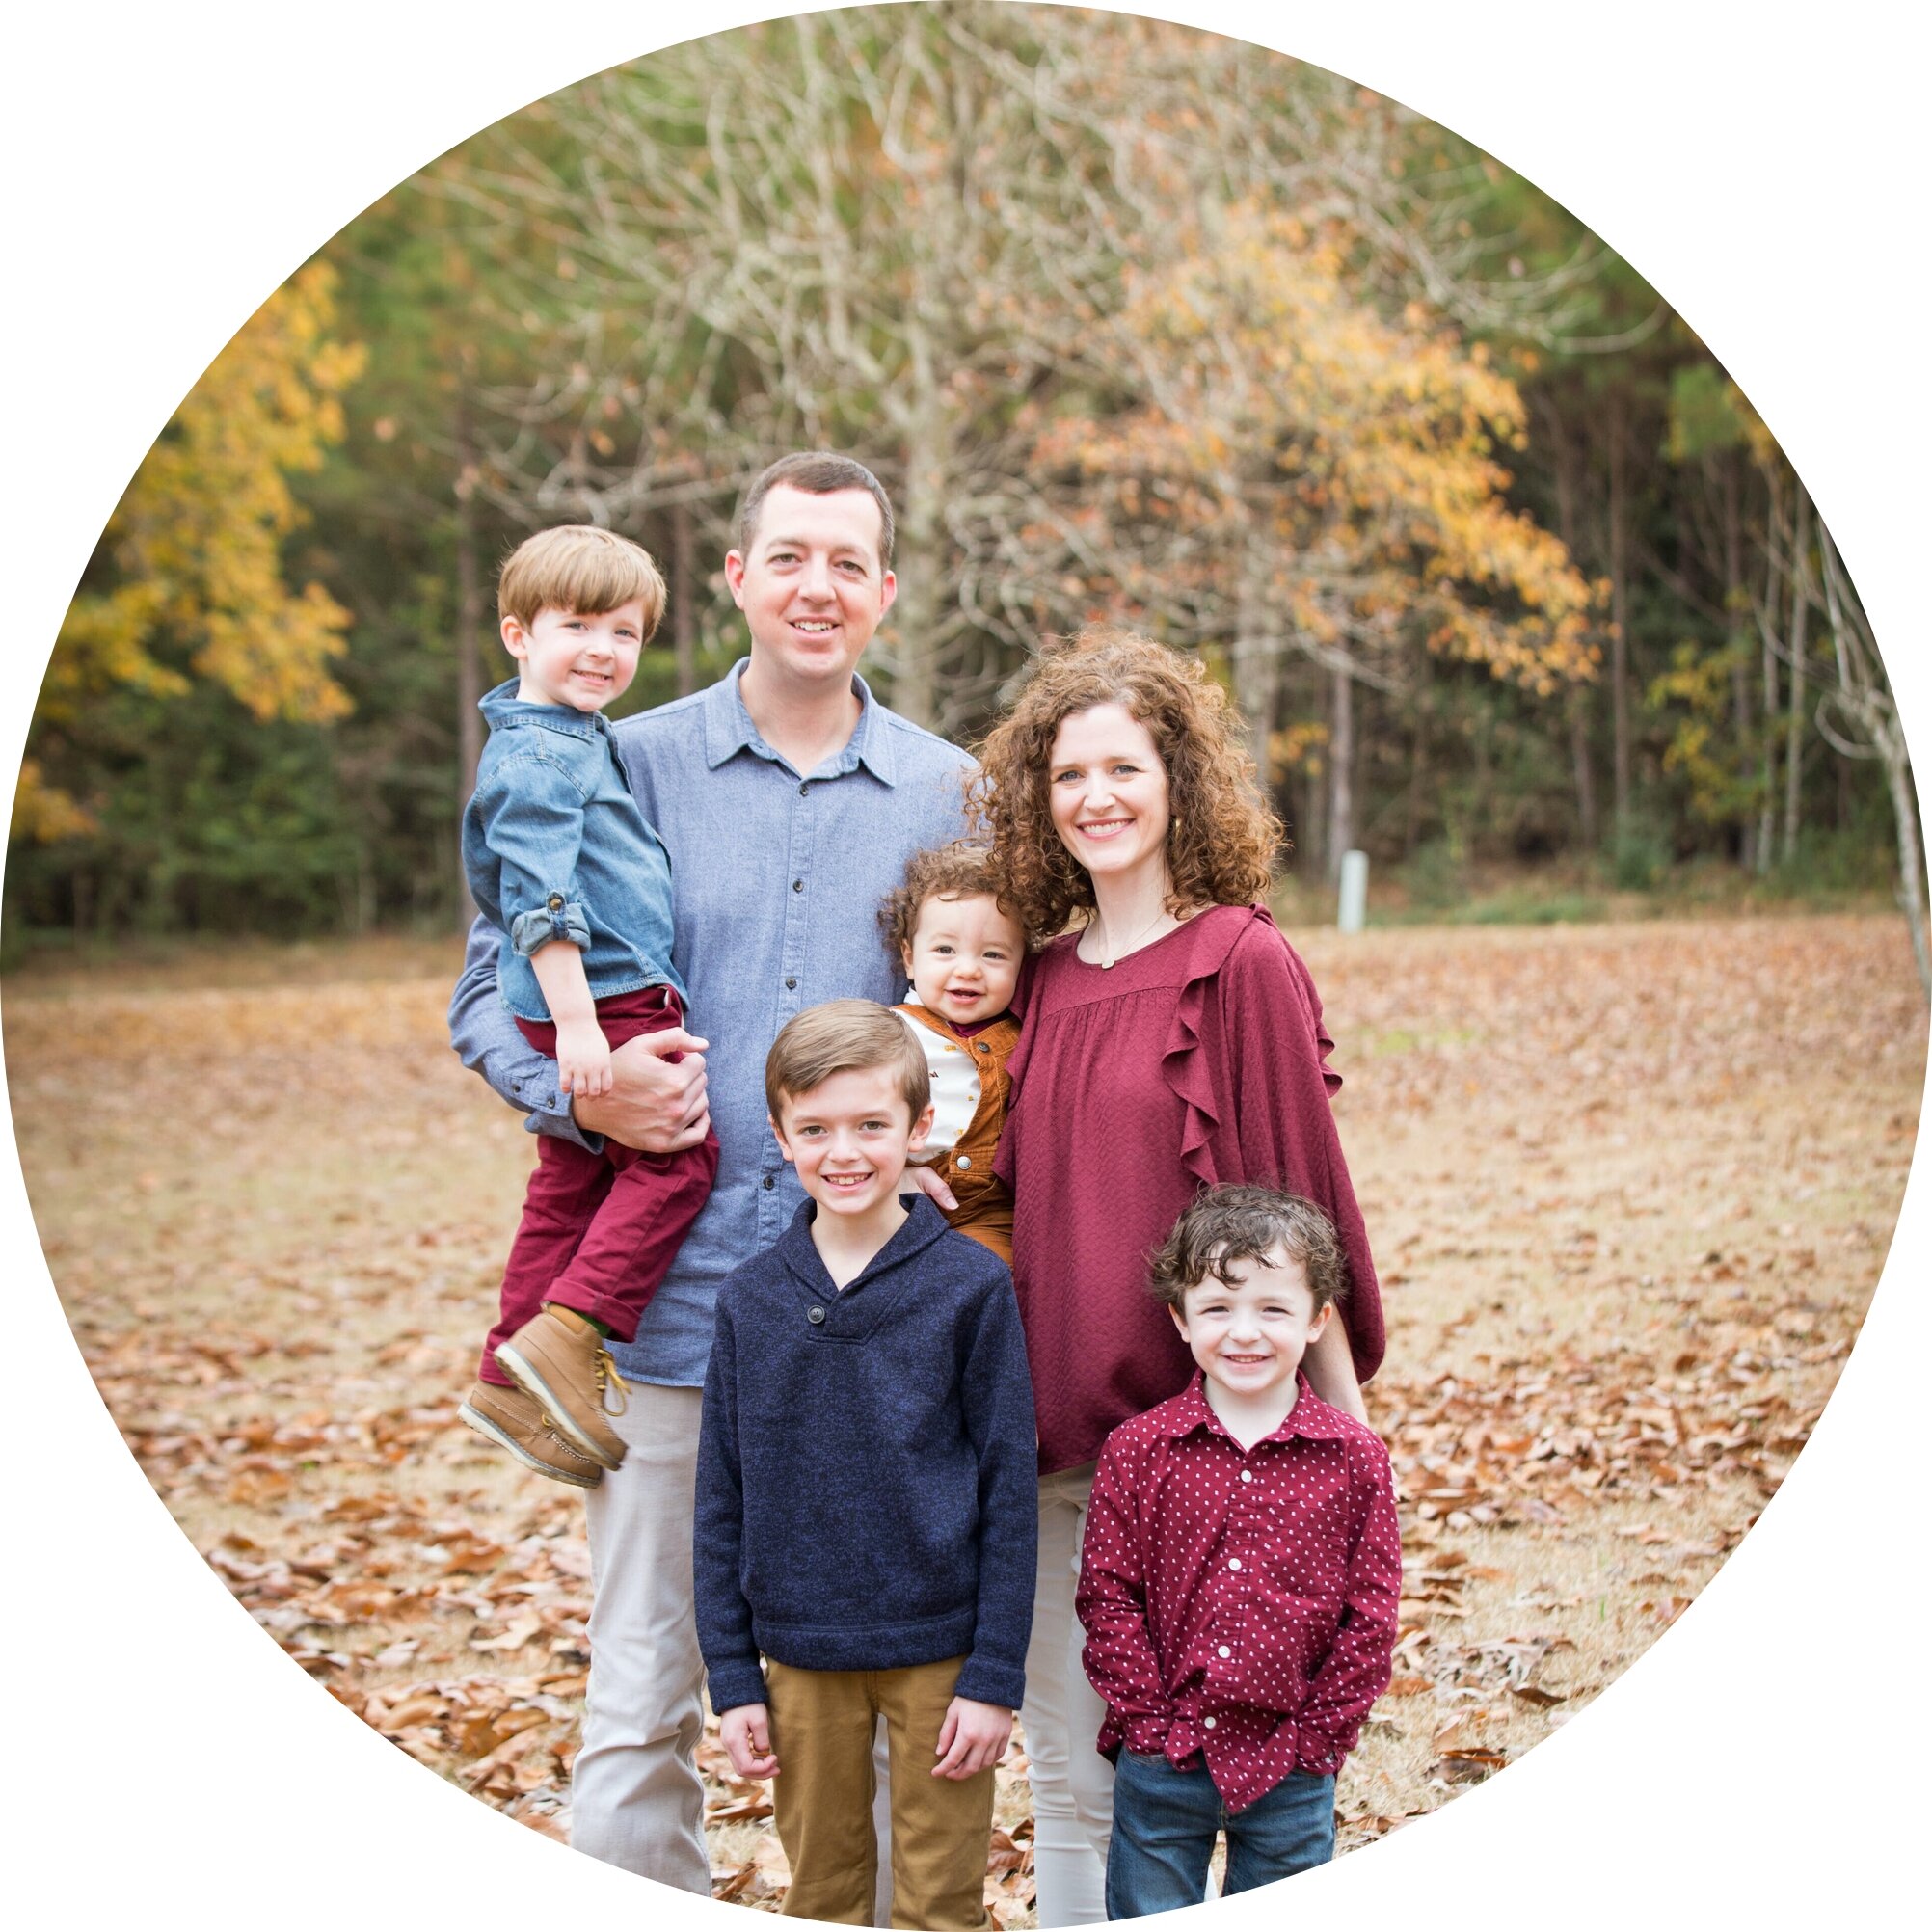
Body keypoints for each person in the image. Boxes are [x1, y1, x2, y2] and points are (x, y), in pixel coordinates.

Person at [448, 454, 973, 1892]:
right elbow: (485, 994)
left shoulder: (952, 793)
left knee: (881, 1710)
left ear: (884, 591)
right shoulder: (615, 755)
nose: (818, 587)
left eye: (848, 562)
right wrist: (584, 1092)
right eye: (788, 556)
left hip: (871, 1322)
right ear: (738, 578)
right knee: (638, 1702)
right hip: (668, 1315)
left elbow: (997, 1016)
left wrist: (951, 1151)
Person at [975, 628, 1387, 1925]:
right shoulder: (1040, 979)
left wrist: (1350, 1443)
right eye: (1068, 774)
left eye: (1124, 768)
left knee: (1240, 1793)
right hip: (1054, 1439)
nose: (1095, 797)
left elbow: (1300, 1203)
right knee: (1073, 1780)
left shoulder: (1239, 961)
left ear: (1178, 784)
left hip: (1215, 1448)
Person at [695, 1000, 1037, 1927]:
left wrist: (994, 1675)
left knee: (941, 1899)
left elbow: (1009, 1488)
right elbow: (720, 1496)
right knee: (823, 1893)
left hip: (942, 1651)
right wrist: (734, 1677)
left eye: (871, 1126)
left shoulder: (971, 1286)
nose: (843, 1152)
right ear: (780, 1137)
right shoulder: (750, 1299)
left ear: (919, 1129)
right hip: (800, 1655)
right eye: (814, 1129)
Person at [457, 525, 718, 1487]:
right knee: (680, 1160)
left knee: (567, 1187)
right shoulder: (540, 755)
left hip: (595, 994)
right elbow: (540, 900)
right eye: (577, 626)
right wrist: (577, 1028)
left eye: (625, 632)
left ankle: (506, 1377)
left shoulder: (573, 735)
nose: (603, 650)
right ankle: (570, 1331)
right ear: (518, 634)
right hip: (604, 997)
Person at [1076, 1186, 1400, 1917]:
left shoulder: (1355, 1459)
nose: (1244, 1333)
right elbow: (1107, 1596)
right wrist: (1149, 1723)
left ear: (1317, 1320)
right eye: (1218, 1308)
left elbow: (1371, 1614)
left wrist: (1319, 1737)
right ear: (1180, 1319)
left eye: (1273, 1310)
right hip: (1165, 1760)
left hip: (1294, 1765)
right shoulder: (1139, 1450)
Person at [877, 843, 1027, 1263]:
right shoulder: (888, 1032)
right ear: (910, 958)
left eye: (993, 954)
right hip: (898, 1199)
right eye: (945, 950)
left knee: (988, 1273)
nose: (968, 969)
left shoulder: (1023, 1038)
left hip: (990, 1211)